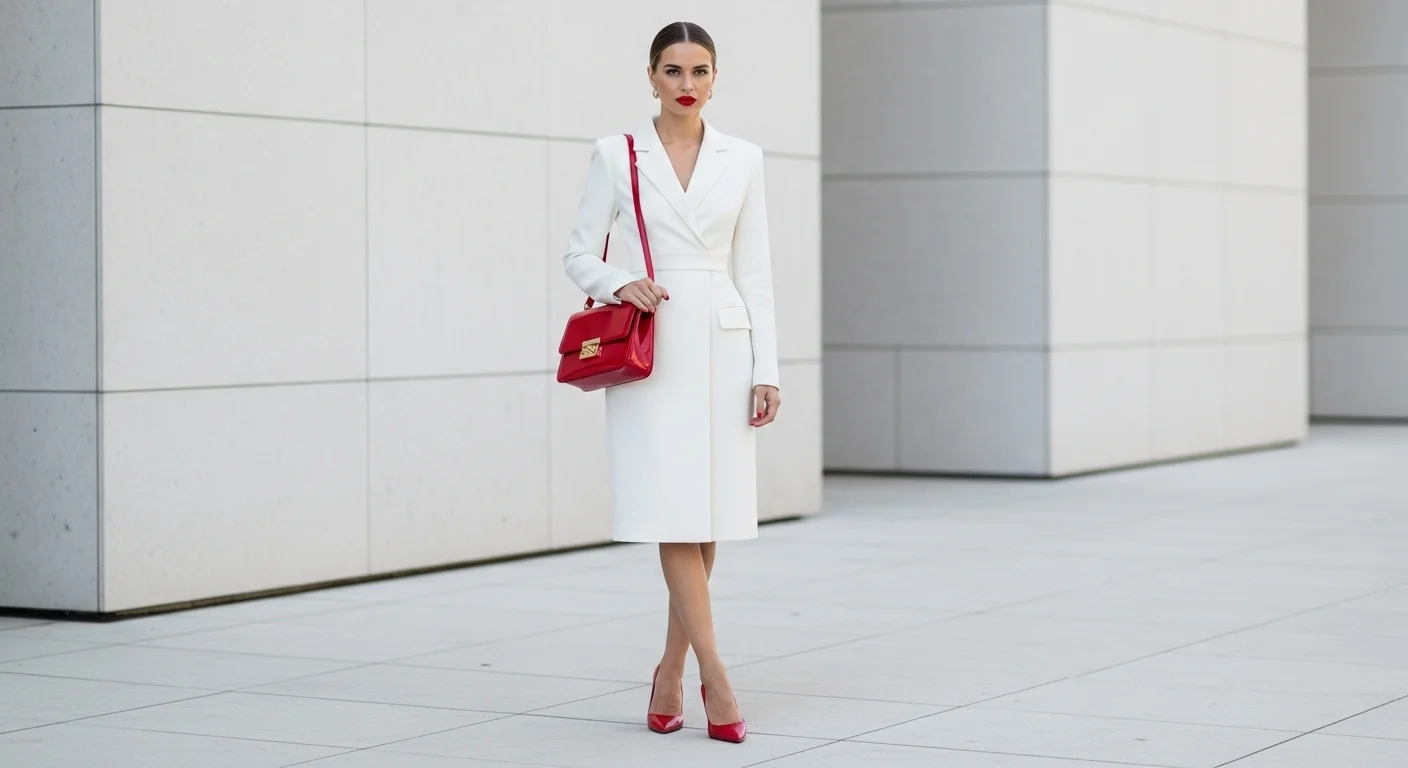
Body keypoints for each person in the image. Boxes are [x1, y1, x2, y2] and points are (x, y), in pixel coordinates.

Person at [561, 20, 781, 744]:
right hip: (652, 350)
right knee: (673, 511)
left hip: (723, 344)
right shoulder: (616, 153)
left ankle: (669, 670)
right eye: (673, 70)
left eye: (700, 71)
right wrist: (620, 281)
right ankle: (717, 675)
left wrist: (767, 369)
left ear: (716, 78)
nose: (687, 85)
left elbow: (756, 272)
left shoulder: (743, 158)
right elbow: (578, 253)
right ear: (651, 76)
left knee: (706, 516)